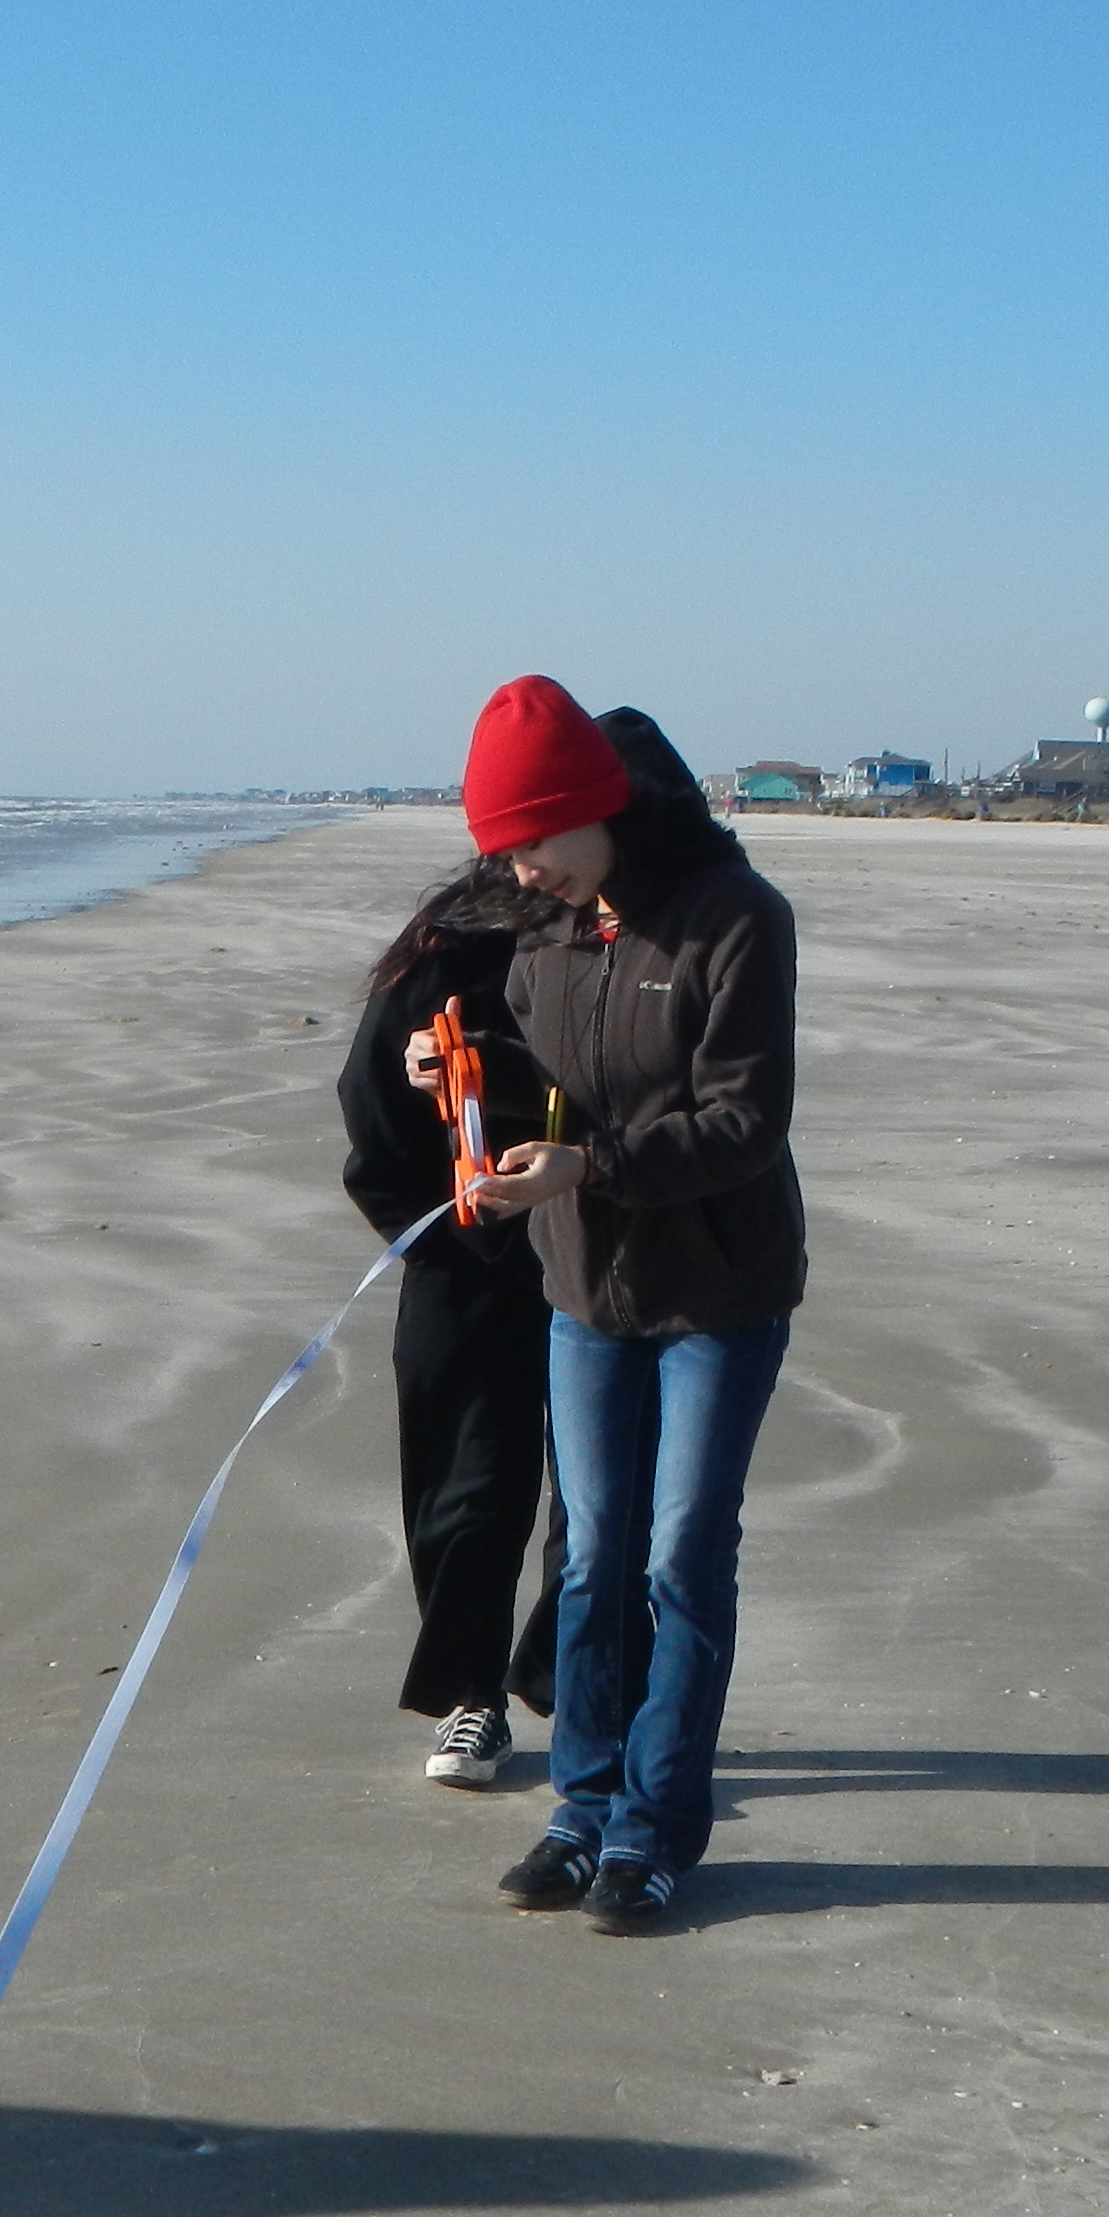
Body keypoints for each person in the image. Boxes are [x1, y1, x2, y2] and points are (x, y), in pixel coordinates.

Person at [413, 676, 807, 1935]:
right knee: (588, 1556)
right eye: (504, 853)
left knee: (683, 1555)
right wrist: (452, 1065)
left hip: (719, 1292)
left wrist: (595, 1166)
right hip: (587, 1285)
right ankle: (579, 1813)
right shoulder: (545, 933)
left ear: (593, 810)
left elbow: (744, 1123)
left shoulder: (737, 918)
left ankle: (652, 1833)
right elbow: (545, 1075)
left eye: (530, 844)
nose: (518, 874)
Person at [337, 863, 571, 1785]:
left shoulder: (623, 928)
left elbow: (640, 1085)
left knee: (598, 1493)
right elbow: (371, 1095)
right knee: (460, 1485)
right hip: (460, 1250)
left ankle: (574, 1682)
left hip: (604, 1241)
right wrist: (422, 1228)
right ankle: (470, 1697)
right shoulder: (451, 933)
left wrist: (510, 1070)